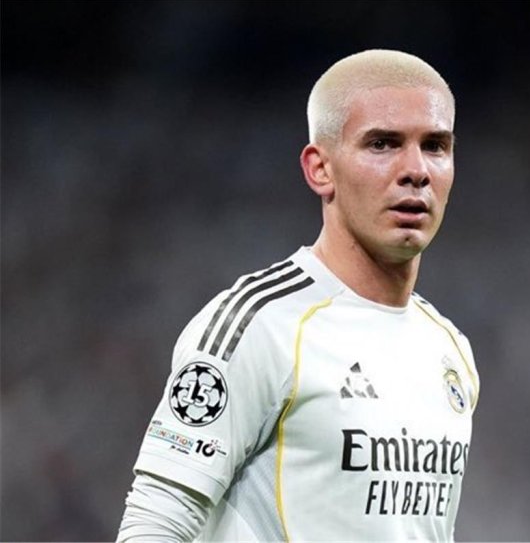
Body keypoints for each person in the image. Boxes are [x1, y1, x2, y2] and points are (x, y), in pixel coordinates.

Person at [117, 49, 479, 542]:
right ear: (320, 168)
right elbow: (154, 524)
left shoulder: (448, 348)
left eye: (435, 146)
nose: (416, 170)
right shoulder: (258, 327)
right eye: (382, 143)